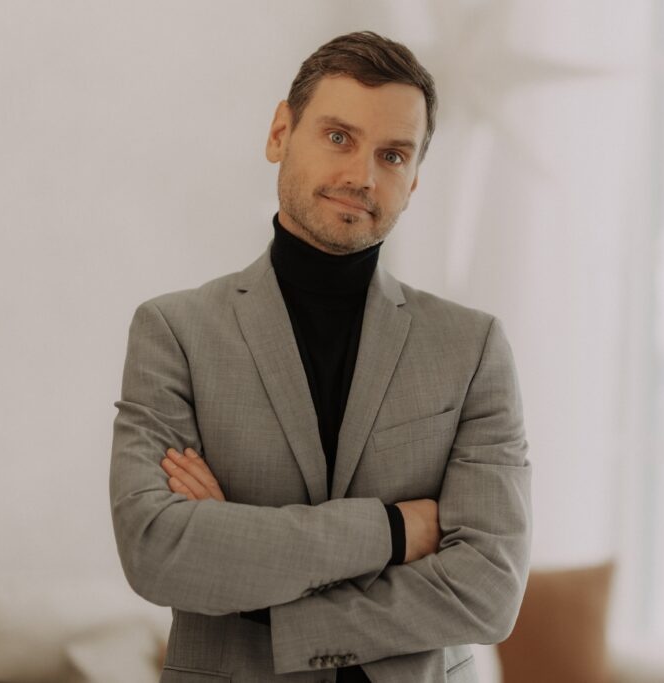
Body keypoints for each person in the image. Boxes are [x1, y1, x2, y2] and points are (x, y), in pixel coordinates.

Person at [109, 31, 532, 683]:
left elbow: (489, 591)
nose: (362, 176)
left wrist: (251, 577)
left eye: (392, 155)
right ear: (281, 132)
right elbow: (157, 553)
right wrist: (394, 531)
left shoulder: (472, 347)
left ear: (414, 179)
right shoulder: (174, 332)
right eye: (339, 137)